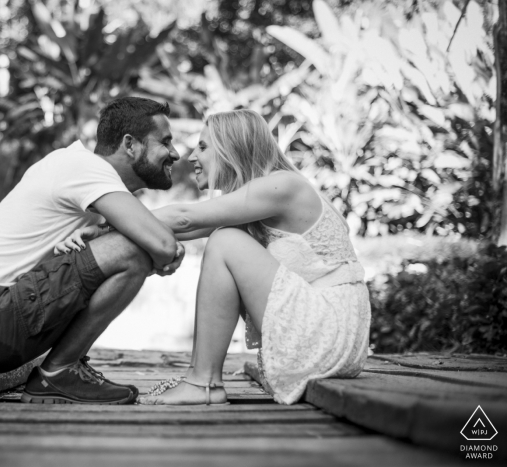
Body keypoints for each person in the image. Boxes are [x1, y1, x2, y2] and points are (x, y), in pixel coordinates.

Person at [56, 109, 370, 405]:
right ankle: (203, 380)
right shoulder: (263, 198)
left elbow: (183, 218)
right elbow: (175, 231)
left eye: (203, 147)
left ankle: (203, 382)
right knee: (223, 236)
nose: (192, 157)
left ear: (231, 148)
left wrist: (105, 224)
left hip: (330, 332)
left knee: (225, 241)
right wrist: (104, 234)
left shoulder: (282, 186)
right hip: (335, 338)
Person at [0, 97, 185, 405]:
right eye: (165, 142)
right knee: (132, 250)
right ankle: (58, 372)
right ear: (130, 144)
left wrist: (154, 249)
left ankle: (62, 368)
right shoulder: (83, 168)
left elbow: (160, 240)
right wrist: (160, 253)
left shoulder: (84, 177)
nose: (175, 153)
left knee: (131, 245)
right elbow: (161, 244)